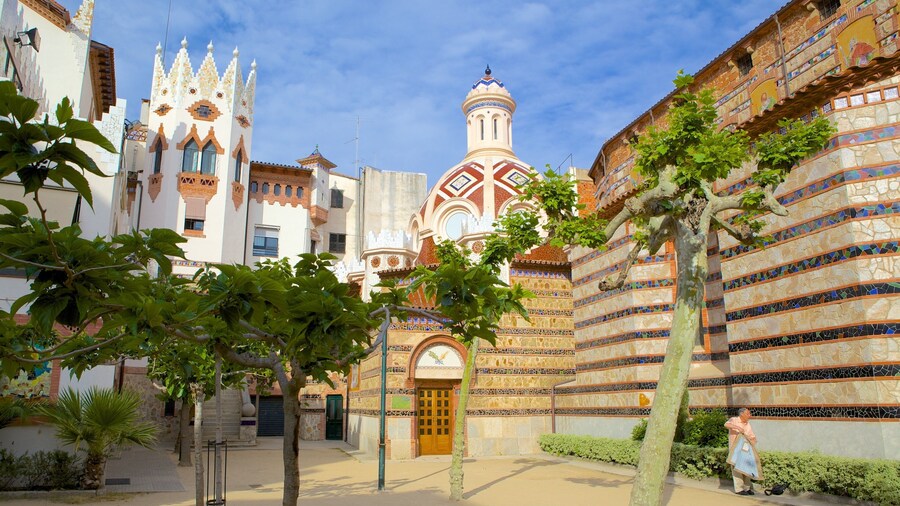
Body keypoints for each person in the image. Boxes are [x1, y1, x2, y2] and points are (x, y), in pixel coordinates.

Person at [725, 407, 759, 495]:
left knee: (746, 468)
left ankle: (747, 488)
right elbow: (726, 424)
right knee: (737, 469)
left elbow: (751, 435)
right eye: (748, 413)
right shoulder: (734, 420)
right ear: (742, 414)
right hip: (735, 449)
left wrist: (753, 441)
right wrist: (737, 428)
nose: (749, 415)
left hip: (745, 449)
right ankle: (739, 489)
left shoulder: (748, 424)